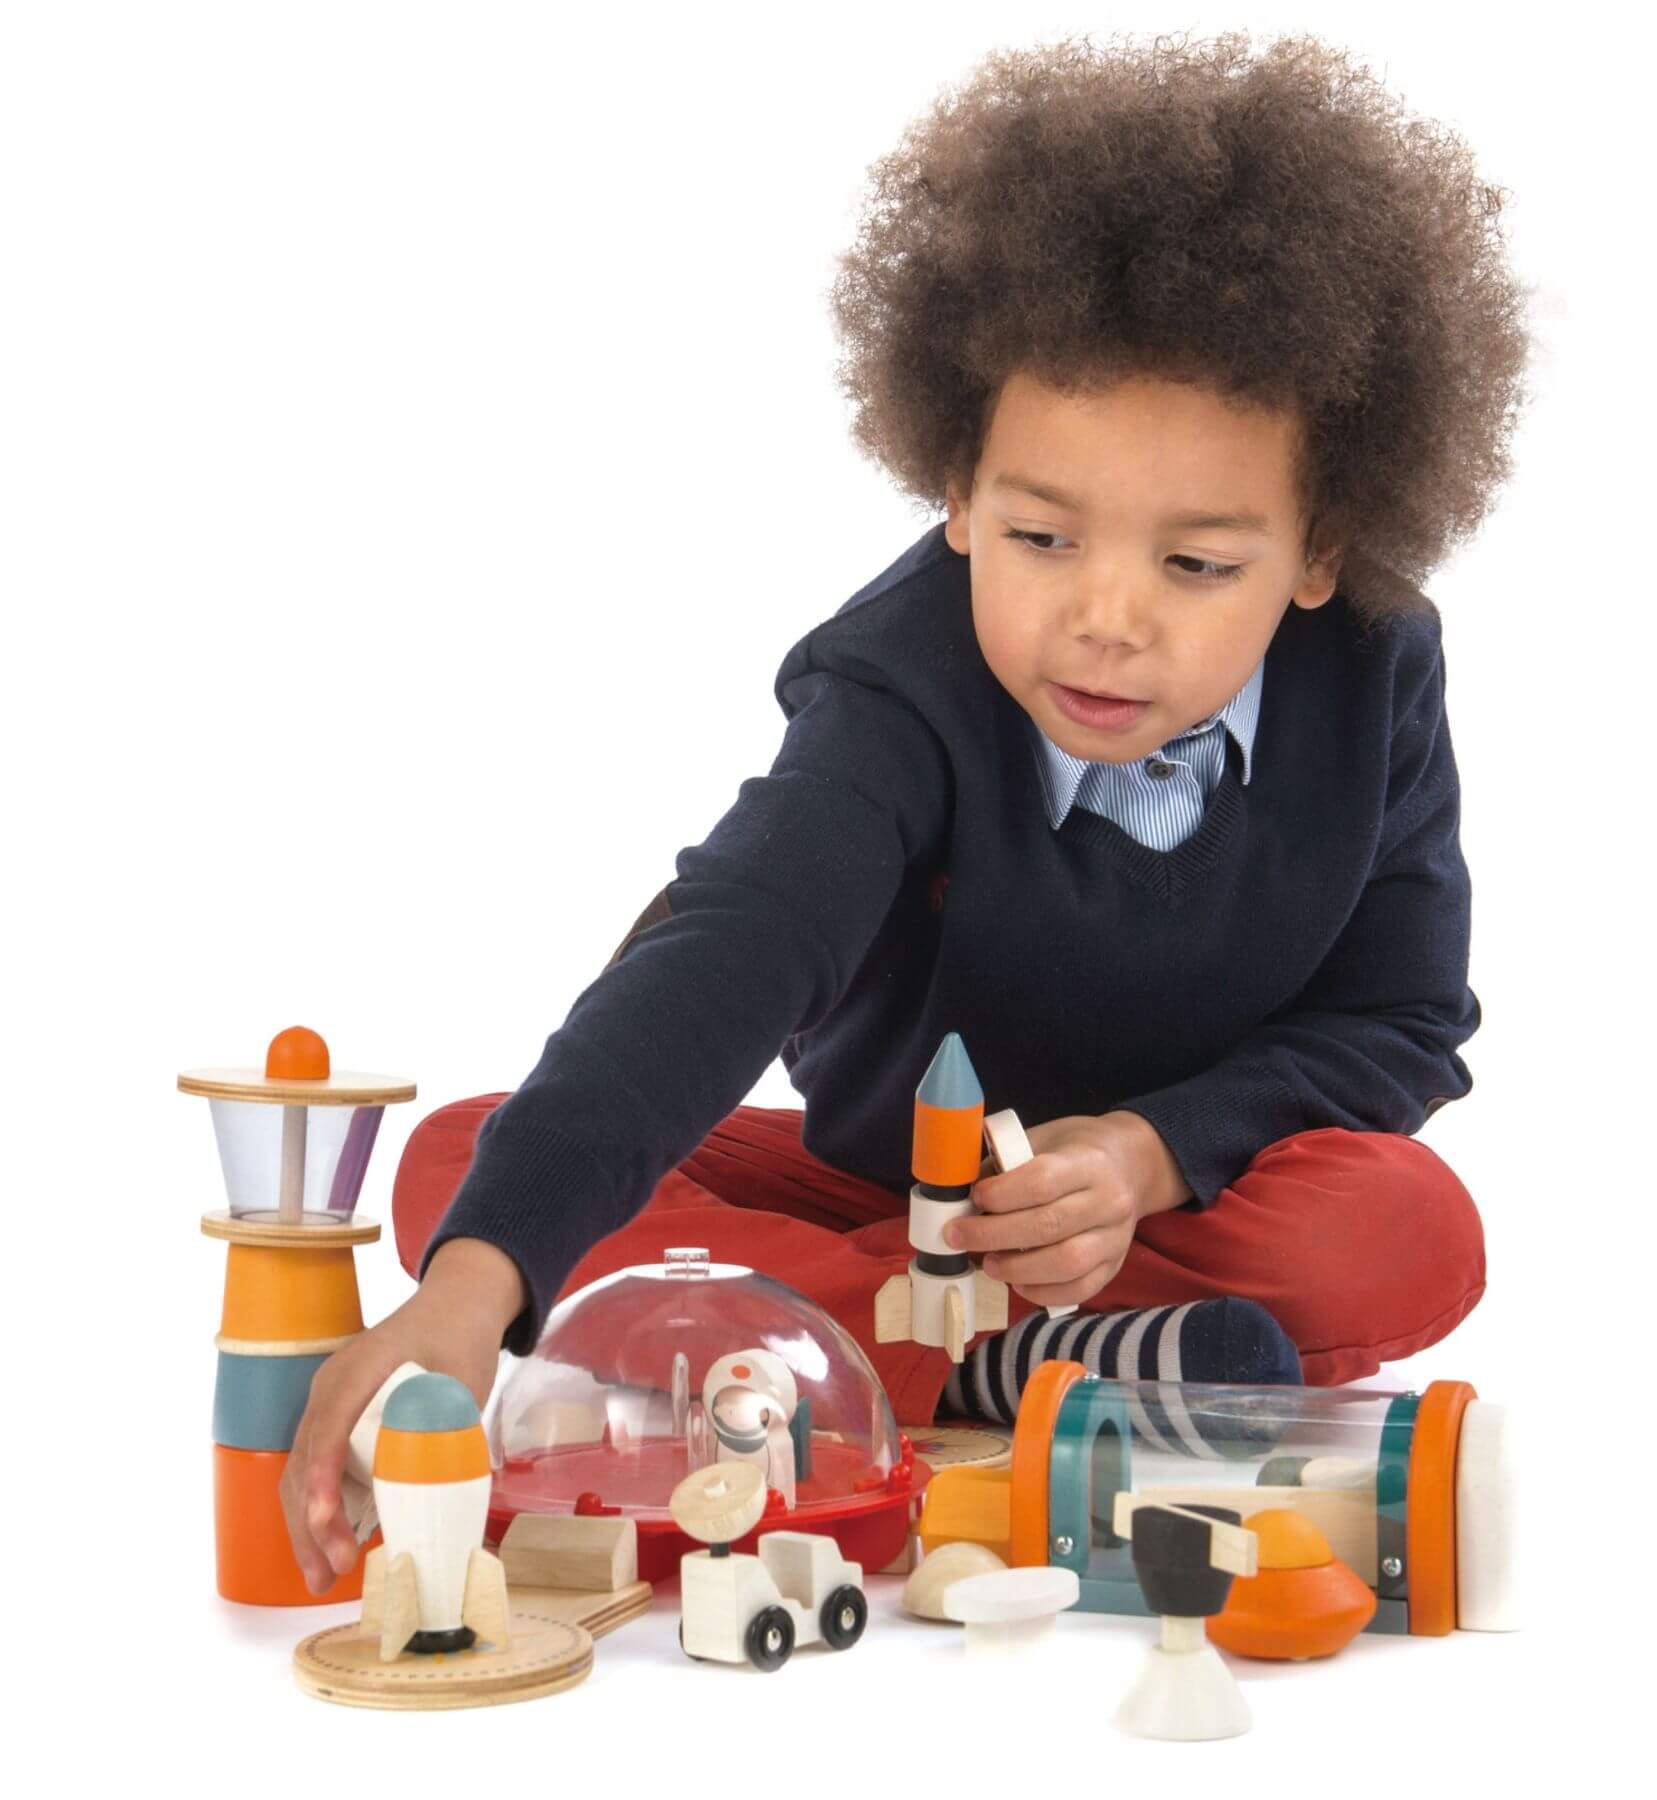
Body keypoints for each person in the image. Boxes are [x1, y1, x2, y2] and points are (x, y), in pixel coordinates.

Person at [282, 28, 1534, 1596]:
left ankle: (861, 1351)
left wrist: (1156, 1153)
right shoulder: (899, 682)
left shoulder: (1377, 674)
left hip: (1168, 1216)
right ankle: (1047, 1367)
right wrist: (473, 1291)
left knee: (1407, 1223)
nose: (1106, 620)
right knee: (466, 1169)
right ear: (955, 489)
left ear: (1323, 550)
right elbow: (733, 951)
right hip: (875, 1186)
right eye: (1040, 536)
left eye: (1198, 566)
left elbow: (1404, 1018)